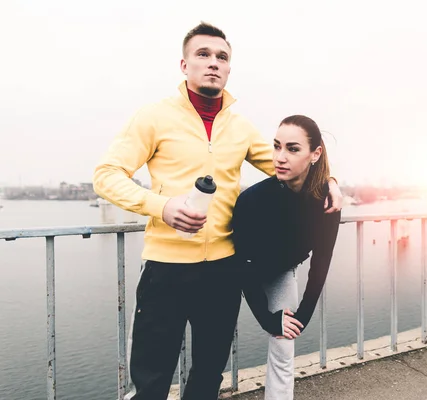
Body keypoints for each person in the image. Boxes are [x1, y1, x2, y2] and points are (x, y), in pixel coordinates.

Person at [92, 22, 343, 400]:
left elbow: (291, 163)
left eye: (221, 57)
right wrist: (162, 206)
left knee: (208, 378)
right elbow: (106, 175)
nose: (213, 63)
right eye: (203, 54)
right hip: (166, 269)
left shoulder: (239, 128)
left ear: (229, 68)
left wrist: (332, 181)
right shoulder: (153, 117)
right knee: (152, 379)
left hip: (223, 272)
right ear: (184, 65)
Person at [231, 115, 341, 400]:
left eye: (292, 149)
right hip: (239, 272)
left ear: (315, 154)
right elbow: (242, 265)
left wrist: (300, 317)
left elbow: (321, 264)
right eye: (277, 146)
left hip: (280, 272)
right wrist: (267, 319)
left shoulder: (326, 201)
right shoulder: (252, 200)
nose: (280, 157)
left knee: (284, 344)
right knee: (214, 348)